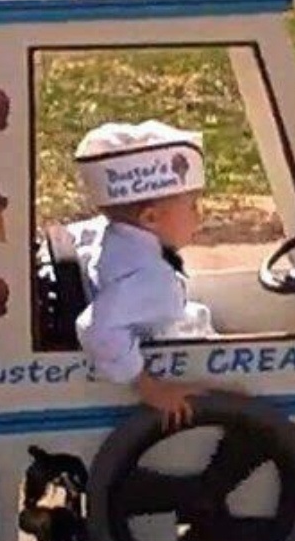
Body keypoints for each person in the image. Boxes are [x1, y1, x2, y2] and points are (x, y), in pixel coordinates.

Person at [74, 120, 216, 429]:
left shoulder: (103, 234)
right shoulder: (151, 278)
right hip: (166, 364)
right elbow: (94, 327)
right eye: (192, 205)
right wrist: (148, 386)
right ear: (150, 218)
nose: (199, 216)